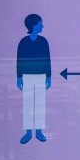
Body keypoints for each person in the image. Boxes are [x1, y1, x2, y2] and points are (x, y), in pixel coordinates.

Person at [17, 14, 51, 144]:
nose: (42, 26)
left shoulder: (43, 41)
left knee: (40, 104)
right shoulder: (23, 42)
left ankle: (39, 131)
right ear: (33, 25)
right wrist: (19, 77)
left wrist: (48, 76)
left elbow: (47, 59)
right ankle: (28, 132)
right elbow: (19, 60)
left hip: (41, 76)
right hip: (27, 76)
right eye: (40, 23)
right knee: (27, 104)